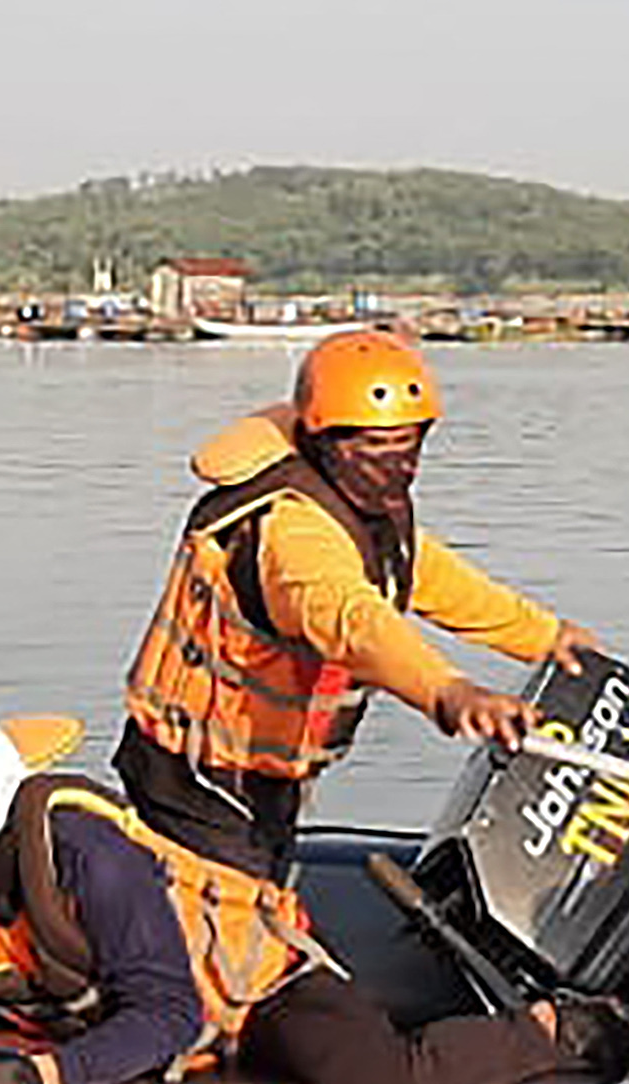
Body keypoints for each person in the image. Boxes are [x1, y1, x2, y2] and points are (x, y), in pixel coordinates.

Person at [0, 709, 615, 1084]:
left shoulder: (88, 858)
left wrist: (42, 1079)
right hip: (99, 1021)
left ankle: (557, 1030)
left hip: (250, 993)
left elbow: (169, 1011)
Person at [115, 328, 596, 876]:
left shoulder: (364, 511)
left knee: (267, 884)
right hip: (196, 774)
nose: (398, 466)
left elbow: (427, 575)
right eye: (373, 448)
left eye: (409, 445)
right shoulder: (293, 535)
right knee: (234, 929)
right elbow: (351, 620)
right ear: (323, 439)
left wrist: (548, 639)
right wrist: (448, 691)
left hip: (259, 773)